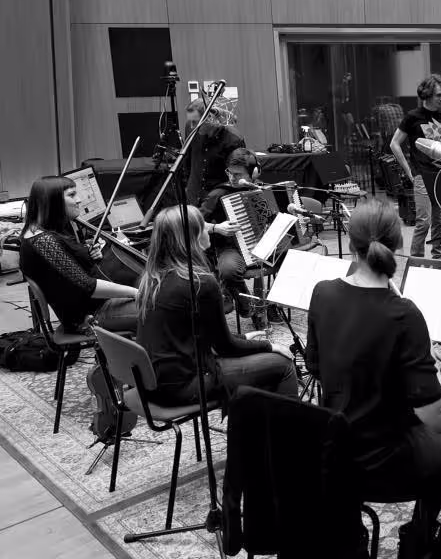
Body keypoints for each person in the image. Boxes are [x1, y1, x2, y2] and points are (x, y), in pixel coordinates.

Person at [305, 199, 441, 559]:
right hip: (382, 460)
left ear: (351, 242)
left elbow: (315, 367)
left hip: (338, 446)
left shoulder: (323, 292)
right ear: (397, 243)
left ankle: (420, 536)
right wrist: (430, 363)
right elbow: (431, 409)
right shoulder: (404, 313)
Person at [136, 205, 297, 407]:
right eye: (203, 226)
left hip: (152, 383)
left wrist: (243, 338)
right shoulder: (200, 282)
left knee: (260, 365)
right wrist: (270, 345)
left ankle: (255, 420)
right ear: (193, 237)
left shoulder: (153, 275)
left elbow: (203, 336)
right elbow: (225, 348)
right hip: (182, 386)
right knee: (283, 364)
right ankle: (286, 425)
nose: (208, 229)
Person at [19, 176, 138, 333]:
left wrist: (88, 256)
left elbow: (64, 273)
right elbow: (87, 286)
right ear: (53, 201)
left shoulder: (49, 230)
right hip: (93, 314)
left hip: (98, 304)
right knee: (164, 309)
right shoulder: (43, 241)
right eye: (72, 195)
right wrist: (135, 293)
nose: (79, 199)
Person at [389, 75, 441, 260]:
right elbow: (394, 144)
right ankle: (416, 262)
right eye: (438, 95)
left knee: (439, 221)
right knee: (424, 222)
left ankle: (438, 259)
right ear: (427, 94)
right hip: (421, 175)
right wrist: (408, 170)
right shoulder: (412, 117)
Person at [199, 148, 257, 319]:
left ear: (253, 173)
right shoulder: (218, 194)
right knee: (228, 271)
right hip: (231, 247)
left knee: (292, 258)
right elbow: (192, 221)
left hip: (264, 244)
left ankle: (272, 303)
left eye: (238, 174)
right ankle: (248, 304)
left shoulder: (262, 188)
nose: (232, 178)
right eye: (229, 173)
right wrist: (216, 228)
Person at [184, 97, 246, 206]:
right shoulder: (190, 127)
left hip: (219, 201)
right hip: (193, 196)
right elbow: (187, 159)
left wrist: (215, 197)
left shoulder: (233, 139)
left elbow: (238, 178)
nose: (192, 126)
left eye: (195, 122)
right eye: (190, 121)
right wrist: (187, 186)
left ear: (210, 118)